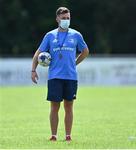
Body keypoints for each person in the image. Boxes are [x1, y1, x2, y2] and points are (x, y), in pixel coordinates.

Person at [31, 7, 89, 142]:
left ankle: (68, 136)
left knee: (69, 106)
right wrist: (33, 70)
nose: (66, 21)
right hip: (55, 77)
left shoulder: (76, 35)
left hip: (70, 76)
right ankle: (54, 135)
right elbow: (37, 54)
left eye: (68, 18)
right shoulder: (50, 36)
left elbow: (85, 51)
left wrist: (75, 63)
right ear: (57, 19)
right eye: (63, 18)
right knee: (54, 107)